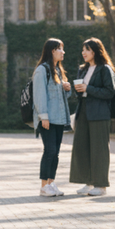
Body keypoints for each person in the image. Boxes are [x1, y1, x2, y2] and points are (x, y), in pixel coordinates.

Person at [70, 38, 115, 197]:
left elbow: (110, 92)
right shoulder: (83, 69)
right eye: (83, 50)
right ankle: (88, 182)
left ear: (96, 51)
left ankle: (101, 185)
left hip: (99, 113)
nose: (83, 53)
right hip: (83, 111)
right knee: (82, 147)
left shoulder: (105, 69)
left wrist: (88, 88)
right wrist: (77, 90)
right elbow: (81, 93)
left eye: (87, 50)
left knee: (99, 149)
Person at [33, 38, 72, 197]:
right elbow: (39, 95)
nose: (63, 52)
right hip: (47, 118)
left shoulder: (57, 70)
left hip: (58, 118)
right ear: (52, 51)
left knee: (55, 152)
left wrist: (67, 89)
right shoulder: (42, 70)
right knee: (49, 151)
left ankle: (51, 183)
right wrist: (43, 116)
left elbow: (60, 97)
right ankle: (44, 186)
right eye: (60, 49)